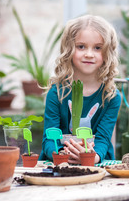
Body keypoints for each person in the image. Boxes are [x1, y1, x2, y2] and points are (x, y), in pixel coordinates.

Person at [39, 14, 121, 164]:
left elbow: (103, 139)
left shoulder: (111, 97)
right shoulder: (57, 93)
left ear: (107, 52)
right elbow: (49, 139)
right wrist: (63, 154)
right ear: (69, 49)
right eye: (81, 46)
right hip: (59, 162)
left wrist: (91, 156)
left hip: (97, 163)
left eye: (97, 48)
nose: (89, 54)